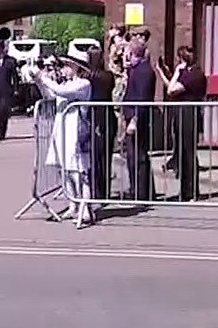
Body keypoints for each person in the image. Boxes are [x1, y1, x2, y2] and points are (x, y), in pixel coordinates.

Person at [37, 53, 93, 223]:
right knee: (64, 170)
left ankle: (85, 208)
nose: (64, 68)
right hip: (61, 130)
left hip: (75, 130)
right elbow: (51, 95)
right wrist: (39, 81)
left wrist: (45, 79)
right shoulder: (66, 83)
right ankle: (72, 205)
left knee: (78, 171)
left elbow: (62, 91)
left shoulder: (83, 84)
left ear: (77, 67)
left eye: (67, 65)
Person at [160, 46, 208, 202]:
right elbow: (172, 87)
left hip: (188, 114)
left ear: (182, 60)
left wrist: (177, 72)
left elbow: (171, 91)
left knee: (188, 153)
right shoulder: (191, 74)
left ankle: (191, 191)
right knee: (182, 152)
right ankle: (185, 190)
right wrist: (162, 73)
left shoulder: (193, 75)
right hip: (184, 113)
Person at [120, 29, 157, 201]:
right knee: (133, 155)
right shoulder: (135, 68)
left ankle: (141, 192)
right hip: (132, 115)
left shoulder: (143, 71)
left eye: (129, 49)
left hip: (137, 118)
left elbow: (141, 97)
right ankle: (138, 189)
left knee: (138, 155)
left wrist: (134, 119)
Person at [84, 47, 116, 202]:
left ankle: (96, 190)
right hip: (108, 117)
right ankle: (105, 191)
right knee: (106, 156)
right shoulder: (108, 76)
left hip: (94, 117)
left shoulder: (88, 77)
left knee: (94, 157)